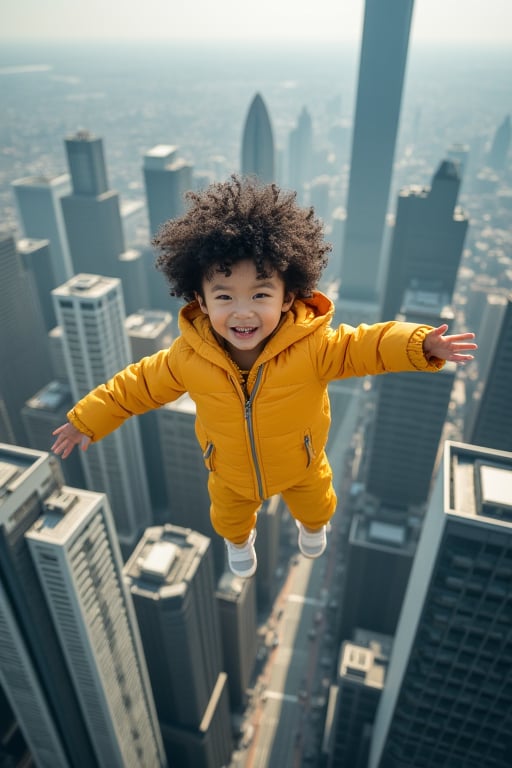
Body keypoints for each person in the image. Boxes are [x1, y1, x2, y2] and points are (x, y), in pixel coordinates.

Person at [52, 176, 477, 578]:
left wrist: (419, 344)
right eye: (224, 297)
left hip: (302, 462)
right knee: (228, 516)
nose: (242, 311)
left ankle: (312, 528)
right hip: (231, 473)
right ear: (199, 300)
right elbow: (135, 387)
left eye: (260, 294)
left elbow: (365, 345)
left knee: (317, 503)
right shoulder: (187, 357)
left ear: (288, 295)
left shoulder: (314, 347)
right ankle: (240, 542)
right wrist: (87, 419)